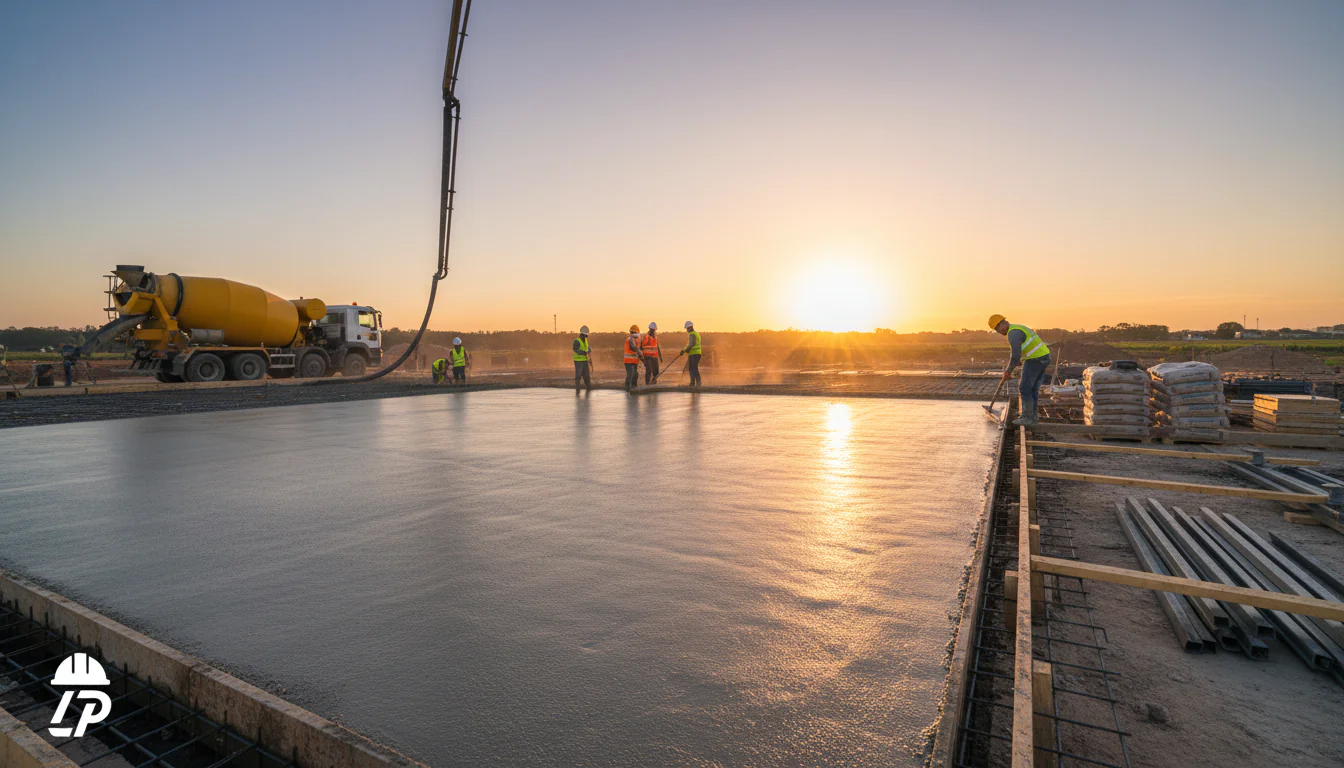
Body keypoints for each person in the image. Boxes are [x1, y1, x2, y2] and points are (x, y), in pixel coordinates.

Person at [989, 314, 1051, 427]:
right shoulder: (1017, 329)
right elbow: (1024, 349)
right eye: (996, 330)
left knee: (1024, 388)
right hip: (1044, 357)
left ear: (1003, 323)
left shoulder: (1013, 333)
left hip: (1035, 360)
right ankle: (1032, 417)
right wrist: (1020, 360)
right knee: (1032, 390)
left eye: (998, 328)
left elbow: (1014, 357)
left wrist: (1008, 371)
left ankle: (1027, 417)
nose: (999, 331)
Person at [681, 321, 703, 388]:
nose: (687, 330)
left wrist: (684, 351)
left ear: (690, 328)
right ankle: (692, 383)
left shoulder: (692, 334)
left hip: (695, 354)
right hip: (694, 354)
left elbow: (691, 344)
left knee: (694, 368)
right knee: (691, 368)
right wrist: (685, 350)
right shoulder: (696, 334)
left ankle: (698, 383)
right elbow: (690, 345)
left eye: (687, 328)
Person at [623, 324, 643, 392]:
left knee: (635, 374)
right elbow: (633, 348)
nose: (633, 333)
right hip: (628, 361)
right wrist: (639, 352)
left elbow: (640, 349)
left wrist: (642, 357)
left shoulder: (638, 340)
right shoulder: (630, 340)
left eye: (634, 332)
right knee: (630, 374)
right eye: (632, 332)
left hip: (634, 361)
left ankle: (634, 387)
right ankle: (627, 387)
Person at [573, 325, 593, 393]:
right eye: (586, 335)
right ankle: (578, 389)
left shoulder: (586, 341)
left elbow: (588, 348)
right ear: (582, 335)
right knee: (578, 375)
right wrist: (584, 352)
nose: (586, 337)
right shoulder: (576, 341)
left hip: (585, 360)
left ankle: (589, 388)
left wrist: (589, 353)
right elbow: (575, 349)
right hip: (578, 361)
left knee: (586, 375)